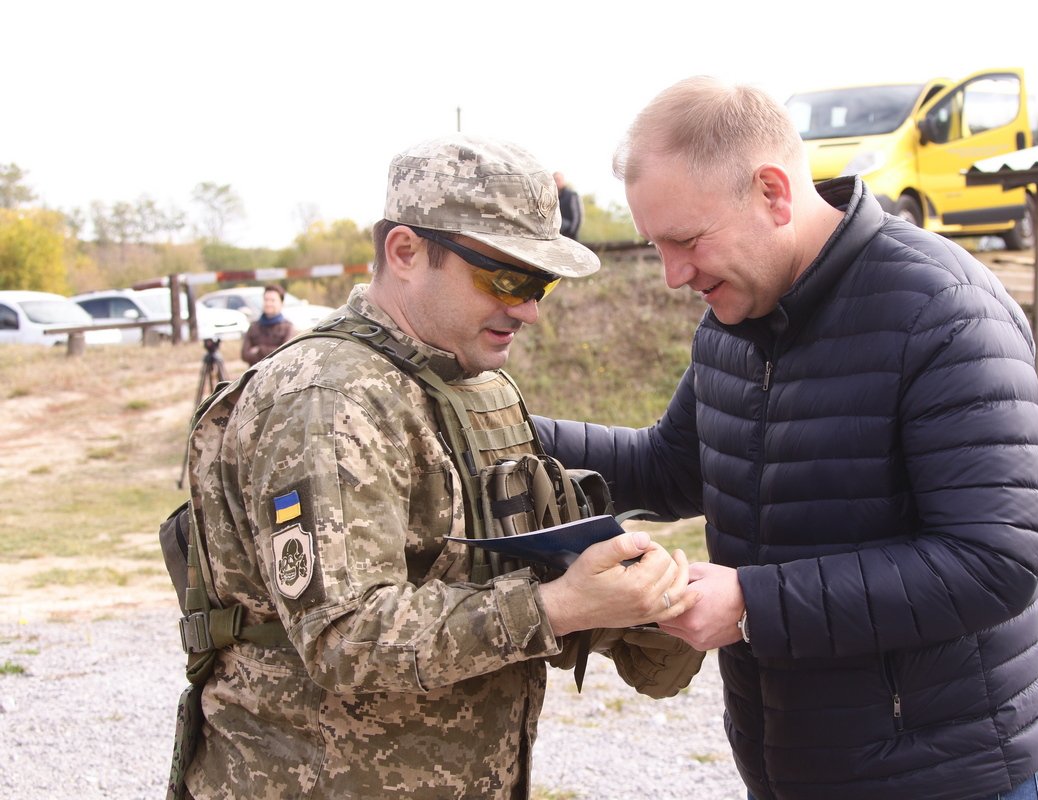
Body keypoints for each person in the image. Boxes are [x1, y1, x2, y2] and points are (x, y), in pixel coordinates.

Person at [534, 77, 1038, 800]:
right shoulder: (733, 322)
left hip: (939, 776)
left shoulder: (945, 311)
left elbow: (992, 561)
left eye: (686, 241)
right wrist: (509, 429)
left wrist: (753, 603)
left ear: (773, 194)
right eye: (658, 245)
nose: (671, 276)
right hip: (792, 767)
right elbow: (670, 468)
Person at [182, 134, 701, 799]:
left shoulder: (466, 383)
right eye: (507, 278)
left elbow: (485, 574)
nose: (529, 309)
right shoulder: (328, 398)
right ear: (404, 252)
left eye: (539, 283)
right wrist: (555, 607)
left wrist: (633, 603)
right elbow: (345, 638)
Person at [239, 284, 295, 365]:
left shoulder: (288, 328)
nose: (268, 303)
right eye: (266, 300)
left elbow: (285, 354)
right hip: (255, 375)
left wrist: (259, 350)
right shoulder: (254, 326)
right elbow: (244, 355)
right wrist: (274, 351)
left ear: (281, 303)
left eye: (272, 300)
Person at [553, 171, 582, 240]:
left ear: (563, 180)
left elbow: (577, 217)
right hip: (556, 237)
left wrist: (571, 232)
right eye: (555, 180)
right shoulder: (551, 197)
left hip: (570, 236)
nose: (557, 182)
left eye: (559, 179)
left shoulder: (572, 195)